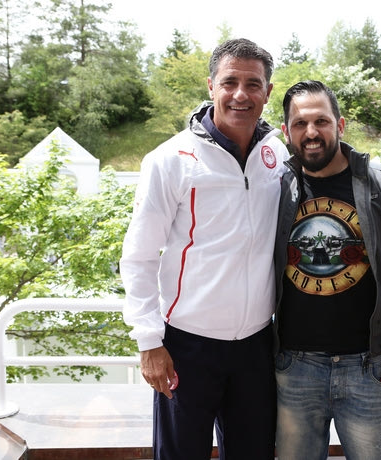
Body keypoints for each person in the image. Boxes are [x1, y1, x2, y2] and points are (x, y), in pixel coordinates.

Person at [120, 38, 288, 460]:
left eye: (253, 84)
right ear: (211, 85)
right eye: (229, 82)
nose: (240, 94)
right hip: (186, 346)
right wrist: (148, 341)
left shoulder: (277, 153)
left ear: (268, 92)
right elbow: (139, 255)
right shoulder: (169, 160)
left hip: (257, 344)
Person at [272, 80, 381, 460]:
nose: (311, 132)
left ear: (340, 125)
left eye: (321, 121)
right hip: (294, 368)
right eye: (300, 124)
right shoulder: (277, 189)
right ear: (286, 131)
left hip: (371, 367)